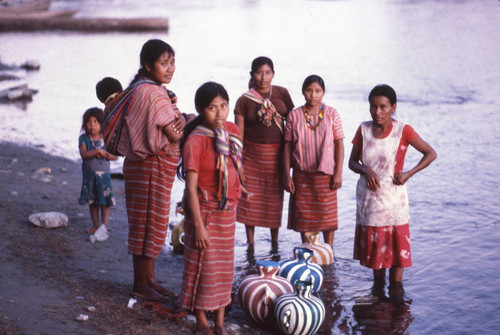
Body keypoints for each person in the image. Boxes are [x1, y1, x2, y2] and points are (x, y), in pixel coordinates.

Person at [111, 39, 191, 302]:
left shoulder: (144, 88)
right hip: (148, 167)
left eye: (173, 62)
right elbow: (174, 134)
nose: (170, 68)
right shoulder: (153, 93)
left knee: (149, 223)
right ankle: (140, 285)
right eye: (163, 63)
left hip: (143, 167)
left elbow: (171, 125)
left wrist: (180, 119)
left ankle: (148, 279)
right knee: (147, 224)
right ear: (148, 65)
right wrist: (190, 119)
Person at [348, 84, 436, 300]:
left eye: (383, 107)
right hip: (370, 200)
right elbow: (352, 162)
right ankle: (378, 301)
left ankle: (396, 304)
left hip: (394, 201)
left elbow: (430, 153)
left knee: (396, 257)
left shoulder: (403, 130)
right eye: (373, 107)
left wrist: (409, 173)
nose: (377, 112)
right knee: (377, 265)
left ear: (393, 107)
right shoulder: (363, 130)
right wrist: (364, 168)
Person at [178, 82, 243, 335]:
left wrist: (241, 187)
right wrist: (198, 226)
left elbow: (236, 162)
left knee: (224, 265)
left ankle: (219, 320)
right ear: (200, 110)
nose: (219, 113)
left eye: (224, 106)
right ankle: (202, 320)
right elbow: (190, 188)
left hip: (227, 208)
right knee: (204, 265)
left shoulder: (232, 130)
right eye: (212, 108)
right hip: (203, 209)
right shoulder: (195, 141)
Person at [234, 56, 294, 250]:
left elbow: (294, 122)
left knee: (273, 200)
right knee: (249, 199)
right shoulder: (243, 100)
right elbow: (238, 136)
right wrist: (238, 163)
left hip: (276, 157)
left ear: (273, 74)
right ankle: (250, 243)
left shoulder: (282, 93)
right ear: (252, 75)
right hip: (251, 156)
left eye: (267, 73)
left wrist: (294, 155)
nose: (263, 77)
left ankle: (275, 242)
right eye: (259, 73)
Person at [283, 74, 344, 248]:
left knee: (327, 216)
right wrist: (287, 176)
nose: (313, 95)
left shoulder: (332, 113)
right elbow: (287, 147)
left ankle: (329, 251)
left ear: (323, 93)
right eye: (309, 90)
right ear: (303, 92)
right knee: (305, 216)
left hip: (325, 174)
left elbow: (339, 144)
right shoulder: (294, 116)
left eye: (317, 91)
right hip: (302, 175)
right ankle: (308, 252)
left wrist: (338, 173)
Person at [78, 107, 117, 234]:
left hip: (104, 177)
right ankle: (95, 225)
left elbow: (114, 156)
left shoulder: (105, 138)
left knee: (104, 201)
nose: (92, 125)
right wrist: (96, 152)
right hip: (89, 176)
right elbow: (83, 154)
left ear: (102, 123)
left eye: (95, 122)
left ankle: (104, 226)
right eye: (89, 122)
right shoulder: (84, 138)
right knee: (93, 201)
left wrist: (104, 154)